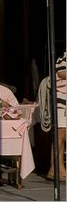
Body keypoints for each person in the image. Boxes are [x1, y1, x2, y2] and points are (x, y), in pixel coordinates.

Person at [37, 52, 66, 181]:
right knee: (60, 137)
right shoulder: (64, 57)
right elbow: (61, 72)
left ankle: (55, 169)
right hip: (61, 102)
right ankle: (57, 169)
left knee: (62, 137)